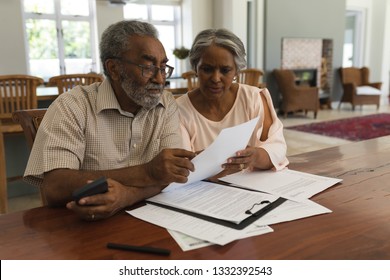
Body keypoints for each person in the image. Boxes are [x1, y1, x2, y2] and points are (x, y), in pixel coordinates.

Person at [24, 20, 196, 221]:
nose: (160, 79)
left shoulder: (165, 103)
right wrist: (147, 172)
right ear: (114, 69)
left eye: (163, 67)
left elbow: (171, 175)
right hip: (82, 227)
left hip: (149, 217)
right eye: (148, 67)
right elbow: (54, 187)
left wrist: (128, 196)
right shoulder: (72, 106)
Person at [176, 28, 288, 176]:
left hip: (252, 187)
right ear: (195, 68)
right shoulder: (179, 109)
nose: (216, 78)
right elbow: (182, 168)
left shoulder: (253, 98)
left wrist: (254, 157)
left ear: (236, 71)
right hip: (202, 193)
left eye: (225, 70)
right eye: (207, 69)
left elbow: (277, 148)